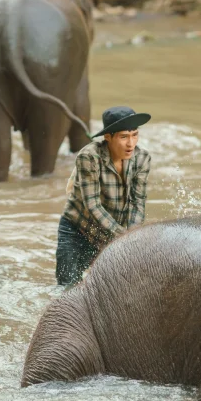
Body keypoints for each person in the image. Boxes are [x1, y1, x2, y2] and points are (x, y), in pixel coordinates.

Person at [56, 106, 152, 286]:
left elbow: (137, 203)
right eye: (124, 137)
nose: (131, 143)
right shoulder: (89, 157)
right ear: (108, 137)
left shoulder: (142, 158)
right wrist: (123, 236)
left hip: (111, 236)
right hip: (77, 232)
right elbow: (92, 205)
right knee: (67, 290)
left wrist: (132, 237)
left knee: (115, 290)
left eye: (134, 135)